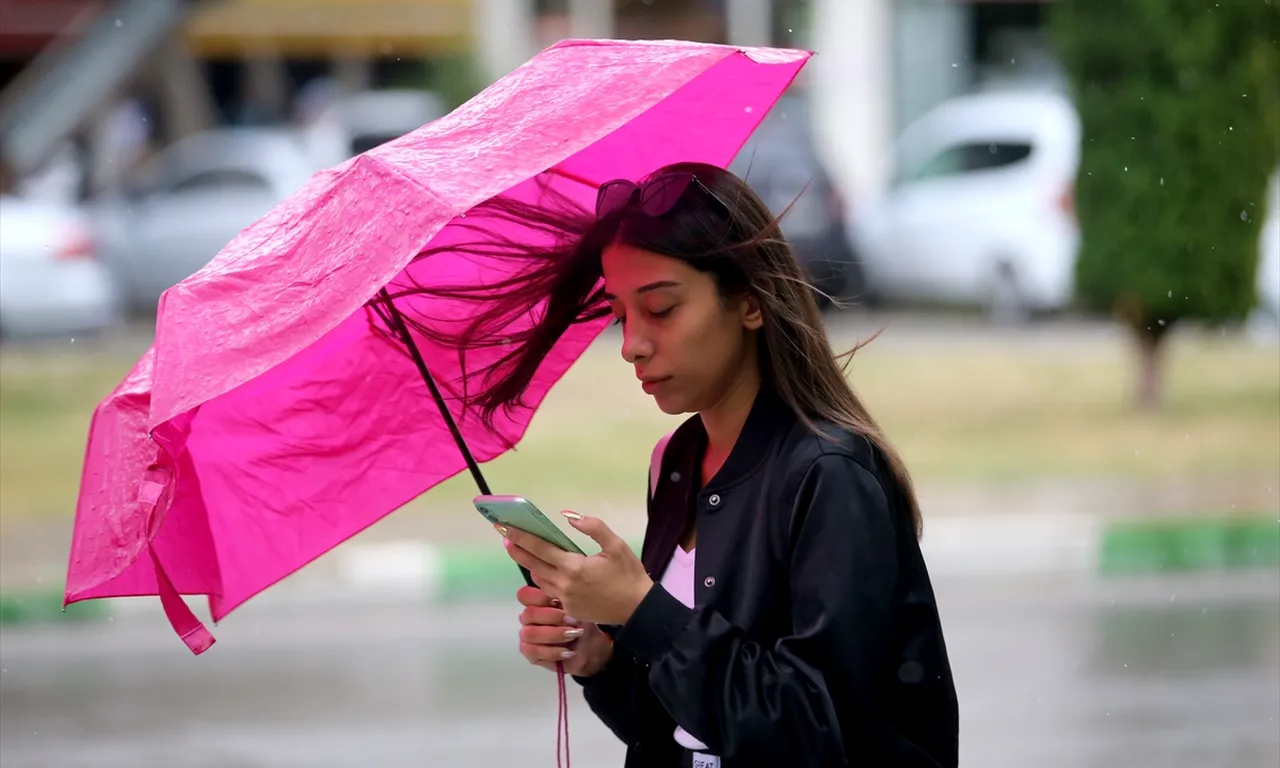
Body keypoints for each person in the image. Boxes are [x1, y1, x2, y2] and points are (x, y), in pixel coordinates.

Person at [414, 162, 959, 767]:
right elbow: (684, 732)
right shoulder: (675, 462)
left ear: (751, 302)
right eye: (622, 315)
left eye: (662, 309)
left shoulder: (829, 475)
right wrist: (598, 658)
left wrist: (643, 612)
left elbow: (814, 737)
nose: (631, 344)